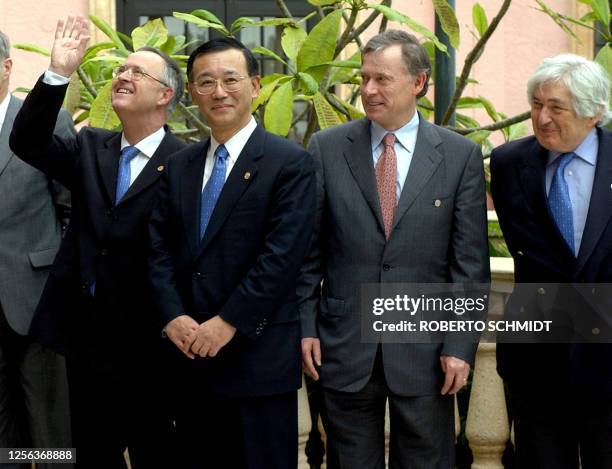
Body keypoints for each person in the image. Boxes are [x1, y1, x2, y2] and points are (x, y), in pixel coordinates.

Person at [298, 29, 490, 469]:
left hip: (426, 353)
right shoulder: (326, 149)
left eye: (382, 79)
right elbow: (308, 253)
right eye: (363, 78)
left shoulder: (459, 156)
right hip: (345, 346)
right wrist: (306, 325)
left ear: (418, 83)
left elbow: (469, 265)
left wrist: (460, 345)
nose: (368, 89)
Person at [9, 15, 185, 469]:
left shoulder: (187, 161)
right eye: (120, 70)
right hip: (86, 340)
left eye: (137, 72)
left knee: (157, 453)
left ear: (165, 95)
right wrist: (58, 75)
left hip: (153, 344)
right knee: (89, 454)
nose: (123, 76)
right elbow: (27, 140)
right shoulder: (91, 146)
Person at [148, 36, 315, 469]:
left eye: (230, 79)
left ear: (255, 86)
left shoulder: (289, 163)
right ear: (192, 92)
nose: (218, 92)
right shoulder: (179, 165)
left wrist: (227, 322)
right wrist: (173, 317)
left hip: (255, 361)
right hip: (188, 360)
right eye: (205, 82)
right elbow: (158, 248)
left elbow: (282, 256)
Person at [490, 54, 612, 469]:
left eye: (556, 107)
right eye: (536, 104)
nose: (542, 118)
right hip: (535, 360)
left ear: (594, 111)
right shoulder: (508, 164)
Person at [0, 29, 74, 469]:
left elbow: (69, 210)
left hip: (35, 297)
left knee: (48, 429)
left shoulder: (44, 118)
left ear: (7, 66)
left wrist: (60, 286)